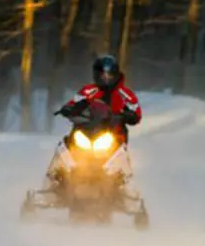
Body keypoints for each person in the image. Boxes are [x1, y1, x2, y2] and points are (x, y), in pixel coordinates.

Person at [44, 54, 143, 202]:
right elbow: (75, 101)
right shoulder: (89, 90)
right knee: (63, 146)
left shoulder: (125, 94)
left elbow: (136, 111)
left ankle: (125, 187)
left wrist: (129, 115)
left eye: (109, 75)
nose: (105, 78)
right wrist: (68, 109)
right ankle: (53, 181)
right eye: (102, 75)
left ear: (115, 75)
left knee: (121, 153)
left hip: (113, 135)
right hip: (87, 131)